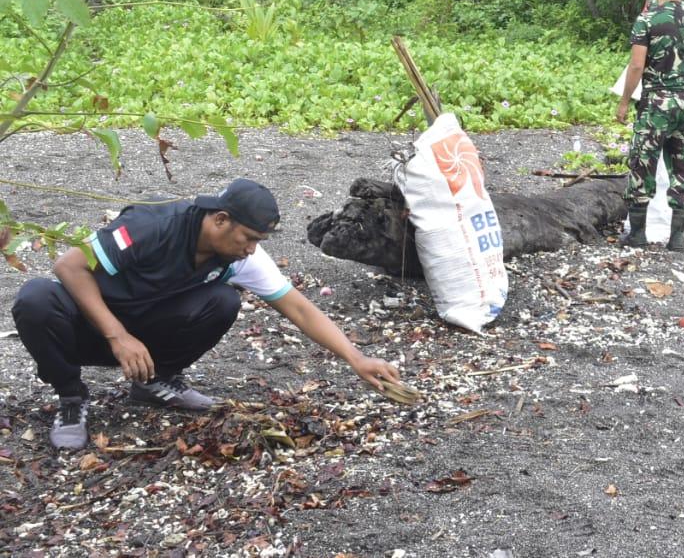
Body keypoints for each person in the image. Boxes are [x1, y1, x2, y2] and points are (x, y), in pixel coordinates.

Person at [10, 179, 403, 451]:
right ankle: (70, 397)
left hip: (144, 337)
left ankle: (154, 381)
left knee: (223, 300)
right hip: (90, 326)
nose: (251, 249)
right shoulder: (153, 225)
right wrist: (117, 336)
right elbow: (69, 266)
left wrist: (357, 358)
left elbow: (298, 307)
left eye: (258, 241)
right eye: (248, 237)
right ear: (219, 220)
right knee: (35, 299)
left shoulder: (241, 258)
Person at [616, 0, 684, 252]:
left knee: (643, 164)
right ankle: (678, 238)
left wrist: (625, 100)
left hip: (657, 103)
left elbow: (637, 65)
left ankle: (638, 235)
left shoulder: (647, 19)